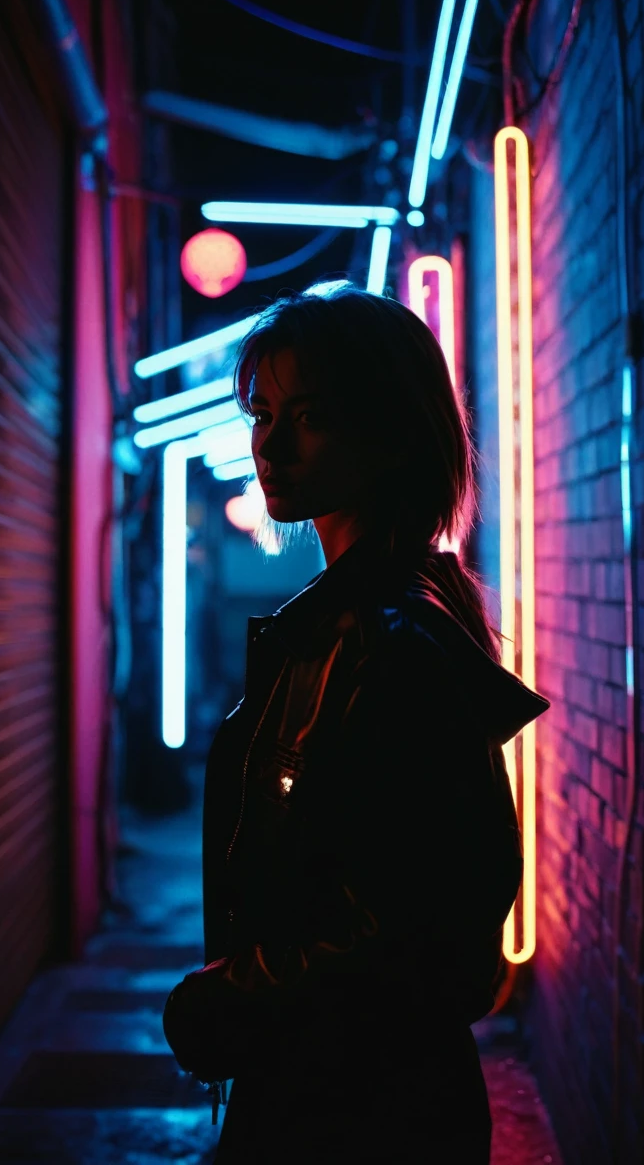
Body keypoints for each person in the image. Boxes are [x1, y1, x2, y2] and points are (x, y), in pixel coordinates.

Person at [163, 286, 550, 1163]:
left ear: (387, 431)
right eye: (262, 414)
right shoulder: (352, 624)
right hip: (327, 1093)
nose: (272, 444)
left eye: (310, 416)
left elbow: (427, 930)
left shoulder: (387, 645)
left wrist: (230, 999)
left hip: (357, 1114)